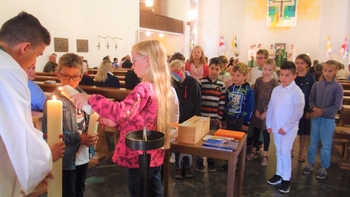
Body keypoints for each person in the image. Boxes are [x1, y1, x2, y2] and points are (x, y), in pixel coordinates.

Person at [72, 40, 174, 197]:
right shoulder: (158, 86)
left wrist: (91, 99)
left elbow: (121, 111)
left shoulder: (144, 87)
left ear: (148, 60)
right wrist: (112, 121)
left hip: (139, 157)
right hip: (152, 156)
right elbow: (140, 120)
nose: (132, 66)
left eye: (134, 61)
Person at [0, 11, 65, 197]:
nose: (35, 61)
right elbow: (18, 129)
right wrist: (45, 159)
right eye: (38, 54)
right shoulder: (9, 72)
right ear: (25, 47)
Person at [42, 53, 98, 196]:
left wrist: (92, 136)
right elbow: (49, 133)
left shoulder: (83, 96)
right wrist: (79, 138)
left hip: (83, 156)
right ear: (58, 75)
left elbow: (89, 121)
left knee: (80, 189)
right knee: (68, 192)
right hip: (66, 157)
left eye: (75, 76)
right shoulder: (53, 101)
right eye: (65, 76)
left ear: (81, 76)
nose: (70, 81)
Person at [266, 61, 305, 194]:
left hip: (289, 129)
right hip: (276, 126)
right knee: (278, 151)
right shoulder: (276, 90)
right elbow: (271, 107)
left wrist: (286, 127)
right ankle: (279, 174)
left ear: (294, 75)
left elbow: (298, 113)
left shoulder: (297, 92)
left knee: (285, 152)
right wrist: (269, 124)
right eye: (282, 74)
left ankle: (286, 179)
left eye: (287, 75)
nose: (284, 78)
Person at [302, 60, 343, 179]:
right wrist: (314, 108)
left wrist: (322, 111)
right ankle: (310, 163)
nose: (327, 73)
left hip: (328, 120)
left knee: (326, 144)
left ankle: (324, 167)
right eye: (325, 70)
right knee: (313, 142)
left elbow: (337, 105)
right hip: (315, 118)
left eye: (330, 71)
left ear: (335, 71)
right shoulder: (317, 85)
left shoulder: (337, 87)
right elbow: (311, 99)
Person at [169, 59, 202, 179]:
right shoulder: (172, 84)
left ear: (182, 70)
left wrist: (196, 119)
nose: (173, 74)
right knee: (177, 143)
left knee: (187, 144)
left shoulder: (193, 83)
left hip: (190, 118)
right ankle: (178, 166)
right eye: (171, 72)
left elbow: (198, 102)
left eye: (175, 71)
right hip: (176, 119)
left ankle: (187, 166)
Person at [221, 62, 254, 170]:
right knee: (229, 141)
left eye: (238, 75)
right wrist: (224, 119)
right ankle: (229, 162)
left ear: (244, 76)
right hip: (230, 118)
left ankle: (238, 163)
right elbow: (226, 104)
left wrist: (246, 122)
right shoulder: (230, 89)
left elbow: (249, 107)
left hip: (240, 120)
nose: (235, 77)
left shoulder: (248, 90)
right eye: (233, 74)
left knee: (239, 143)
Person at [196, 57, 226, 173]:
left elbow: (222, 102)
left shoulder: (222, 85)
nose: (214, 71)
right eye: (212, 68)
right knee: (200, 139)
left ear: (220, 70)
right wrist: (198, 117)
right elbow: (198, 100)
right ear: (208, 68)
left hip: (214, 118)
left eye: (217, 69)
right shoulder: (201, 82)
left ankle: (211, 160)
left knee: (211, 140)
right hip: (202, 117)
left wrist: (219, 117)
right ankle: (199, 160)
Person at [246, 59, 278, 166]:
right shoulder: (258, 81)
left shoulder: (274, 83)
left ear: (273, 70)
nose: (267, 72)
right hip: (257, 110)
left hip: (267, 111)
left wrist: (266, 112)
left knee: (265, 133)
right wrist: (256, 110)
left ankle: (265, 154)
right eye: (265, 69)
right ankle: (254, 150)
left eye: (270, 70)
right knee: (256, 131)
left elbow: (274, 100)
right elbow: (255, 95)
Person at [293, 54, 316, 162]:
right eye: (297, 63)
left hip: (305, 107)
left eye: (302, 63)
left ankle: (301, 151)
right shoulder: (294, 76)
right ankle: (291, 149)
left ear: (307, 64)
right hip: (293, 107)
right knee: (293, 129)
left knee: (303, 132)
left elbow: (312, 94)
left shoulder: (311, 78)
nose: (299, 65)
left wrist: (310, 110)